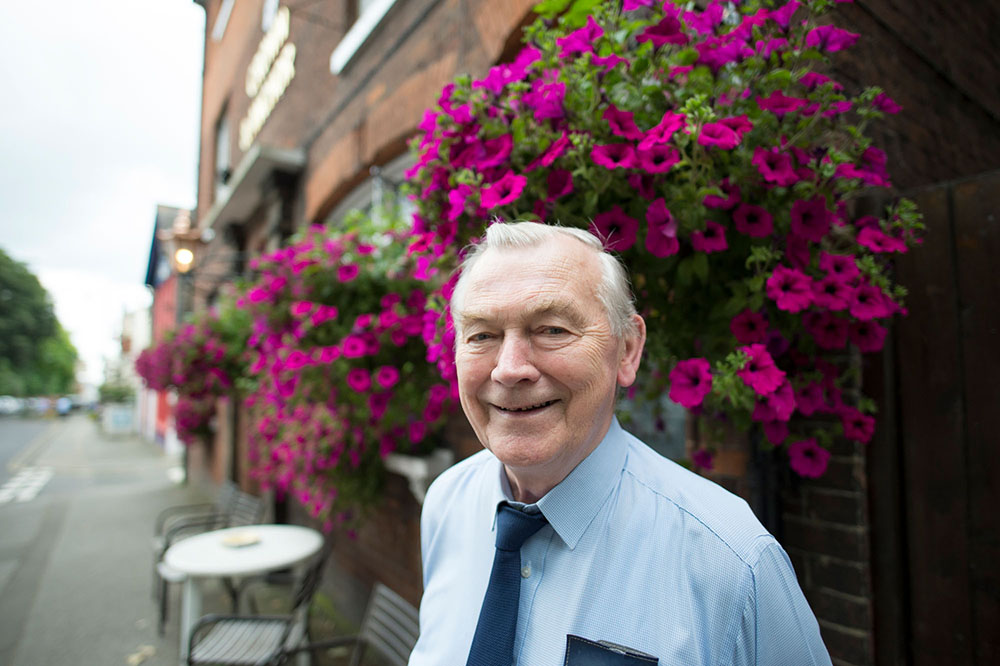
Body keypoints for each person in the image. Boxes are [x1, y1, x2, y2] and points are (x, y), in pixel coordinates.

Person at [408, 222, 831, 665]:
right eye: (482, 336)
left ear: (627, 350)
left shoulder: (731, 562)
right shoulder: (447, 504)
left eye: (552, 329)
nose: (509, 369)